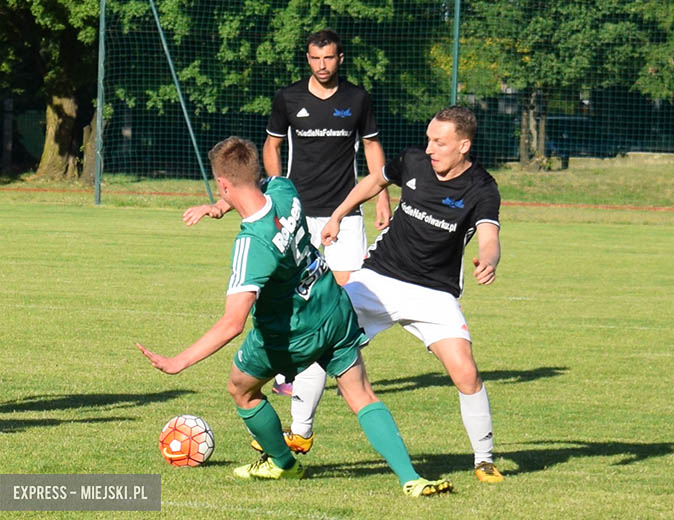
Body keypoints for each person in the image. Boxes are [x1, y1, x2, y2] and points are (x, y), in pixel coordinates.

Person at [137, 136, 451, 497]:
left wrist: (178, 362)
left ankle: (283, 464)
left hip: (291, 331)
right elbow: (259, 190)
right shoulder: (284, 189)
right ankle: (411, 479)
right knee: (361, 394)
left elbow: (232, 323)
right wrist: (219, 208)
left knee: (241, 389)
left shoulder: (252, 245)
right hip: (332, 305)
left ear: (223, 184)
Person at [182, 29, 390, 428]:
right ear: (307, 59)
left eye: (328, 58)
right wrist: (277, 195)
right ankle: (291, 371)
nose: (322, 65)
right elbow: (271, 146)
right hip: (299, 211)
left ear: (340, 58)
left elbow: (370, 148)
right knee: (292, 294)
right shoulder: (289, 98)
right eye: (315, 58)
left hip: (345, 213)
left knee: (340, 300)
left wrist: (382, 197)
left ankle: (318, 369)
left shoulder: (357, 99)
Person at [304, 105, 503, 483]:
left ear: (464, 146)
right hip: (378, 278)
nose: (429, 149)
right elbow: (373, 183)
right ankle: (299, 435)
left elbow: (490, 236)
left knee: (466, 372)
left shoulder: (482, 188)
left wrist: (489, 260)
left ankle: (484, 460)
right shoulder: (413, 161)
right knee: (321, 336)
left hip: (434, 293)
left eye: (439, 143)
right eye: (429, 139)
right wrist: (337, 215)